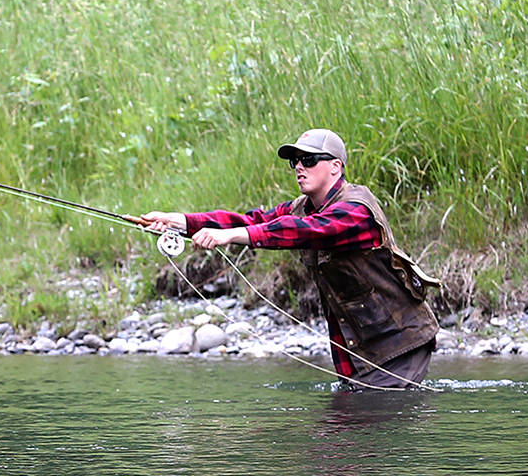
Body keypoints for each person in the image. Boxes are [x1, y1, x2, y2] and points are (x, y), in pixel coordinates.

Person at [136, 129, 440, 389]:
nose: (298, 167)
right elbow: (250, 219)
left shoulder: (357, 210)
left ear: (336, 167)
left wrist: (233, 237)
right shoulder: (302, 206)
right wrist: (180, 222)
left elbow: (306, 231)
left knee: (365, 435)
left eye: (308, 160)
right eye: (295, 161)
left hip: (400, 344)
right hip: (357, 348)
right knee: (345, 437)